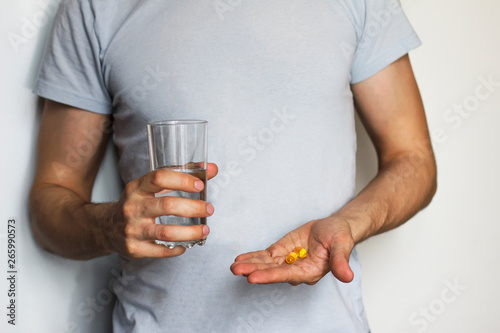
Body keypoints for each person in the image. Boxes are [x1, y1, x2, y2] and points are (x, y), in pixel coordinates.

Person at [30, 0, 437, 332]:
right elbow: (51, 199)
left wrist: (351, 223)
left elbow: (413, 160)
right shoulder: (93, 8)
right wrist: (108, 226)